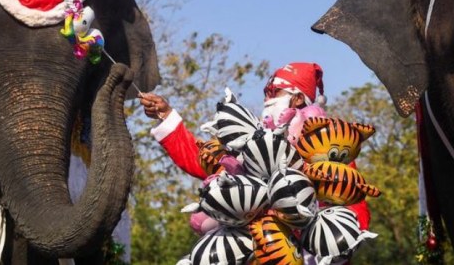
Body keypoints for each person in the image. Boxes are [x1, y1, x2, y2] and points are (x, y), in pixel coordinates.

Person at [139, 62, 371, 230]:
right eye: (265, 93)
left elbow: (354, 212)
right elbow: (199, 158)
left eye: (273, 92)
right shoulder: (249, 143)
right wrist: (166, 116)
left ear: (298, 99)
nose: (266, 99)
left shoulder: (329, 150)